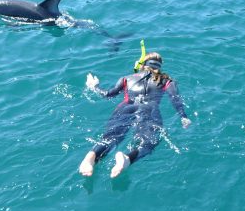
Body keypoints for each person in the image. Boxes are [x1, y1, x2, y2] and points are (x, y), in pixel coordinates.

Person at [78, 46, 191, 178]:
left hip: (125, 108)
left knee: (110, 138)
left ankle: (91, 156)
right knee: (148, 143)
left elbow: (108, 94)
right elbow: (175, 99)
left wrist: (94, 86)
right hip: (150, 110)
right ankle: (127, 159)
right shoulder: (167, 81)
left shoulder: (126, 78)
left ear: (142, 65)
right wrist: (183, 116)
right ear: (159, 67)